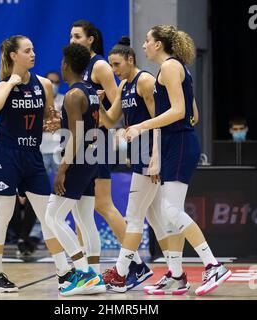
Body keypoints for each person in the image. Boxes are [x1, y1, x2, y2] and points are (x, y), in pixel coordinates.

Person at [122, 25, 231, 296]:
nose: (144, 45)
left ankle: (213, 264)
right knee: (171, 216)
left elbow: (181, 111)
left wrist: (141, 126)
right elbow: (191, 111)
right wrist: (158, 154)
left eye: (147, 40)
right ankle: (177, 276)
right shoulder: (171, 68)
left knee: (170, 212)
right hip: (173, 143)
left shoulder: (170, 67)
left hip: (180, 142)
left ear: (159, 44)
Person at [0, 35, 71, 293]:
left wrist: (56, 121)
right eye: (27, 50)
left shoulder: (44, 84)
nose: (33, 53)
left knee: (48, 216)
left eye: (33, 49)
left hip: (32, 156)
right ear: (13, 56)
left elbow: (48, 117)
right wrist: (10, 82)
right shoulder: (1, 84)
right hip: (7, 156)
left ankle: (64, 272)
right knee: (4, 213)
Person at [99, 37, 183, 292]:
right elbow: (109, 120)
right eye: (111, 66)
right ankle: (176, 273)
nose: (114, 70)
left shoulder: (145, 81)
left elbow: (159, 120)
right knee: (156, 221)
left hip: (149, 157)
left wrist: (156, 158)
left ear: (130, 60)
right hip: (138, 156)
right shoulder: (123, 84)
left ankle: (121, 273)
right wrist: (98, 101)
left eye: (117, 64)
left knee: (133, 217)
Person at [70, 20, 147, 277]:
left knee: (103, 205)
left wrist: (114, 134)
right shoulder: (79, 67)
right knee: (80, 206)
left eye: (77, 36)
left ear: (91, 39)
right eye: (70, 36)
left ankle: (134, 260)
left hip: (97, 140)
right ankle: (86, 267)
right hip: (82, 138)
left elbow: (119, 102)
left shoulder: (100, 65)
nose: (72, 41)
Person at [45, 43, 106, 296]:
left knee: (53, 217)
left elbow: (77, 135)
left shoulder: (72, 95)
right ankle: (96, 275)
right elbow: (88, 124)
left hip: (79, 160)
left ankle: (83, 273)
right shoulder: (90, 91)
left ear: (66, 65)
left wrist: (62, 169)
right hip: (92, 159)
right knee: (84, 218)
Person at [41, 71, 65, 175]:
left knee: (60, 187)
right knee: (40, 186)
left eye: (56, 82)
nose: (54, 85)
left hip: (59, 149)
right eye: (51, 81)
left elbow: (68, 124)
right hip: (42, 149)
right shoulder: (39, 100)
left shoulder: (65, 99)